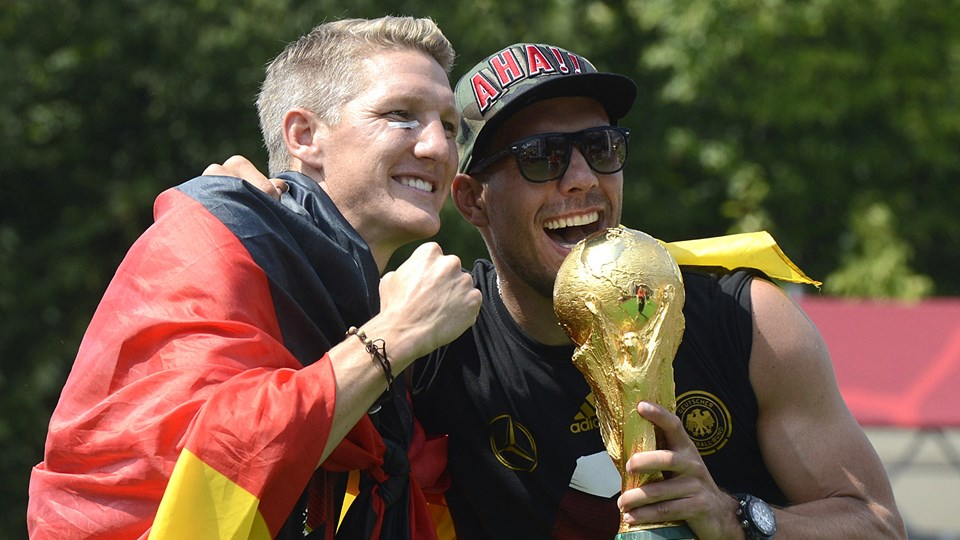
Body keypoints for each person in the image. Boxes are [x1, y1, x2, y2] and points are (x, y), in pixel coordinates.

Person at [208, 43, 907, 539]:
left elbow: (876, 524)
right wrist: (268, 230)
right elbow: (260, 449)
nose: (582, 179)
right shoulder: (433, 343)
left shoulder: (741, 316)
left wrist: (736, 519)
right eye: (541, 158)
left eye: (602, 148)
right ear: (474, 200)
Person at [27, 16, 481, 540]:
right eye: (401, 116)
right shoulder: (213, 241)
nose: (438, 148)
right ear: (304, 136)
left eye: (449, 126)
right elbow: (204, 467)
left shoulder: (373, 300)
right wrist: (396, 336)